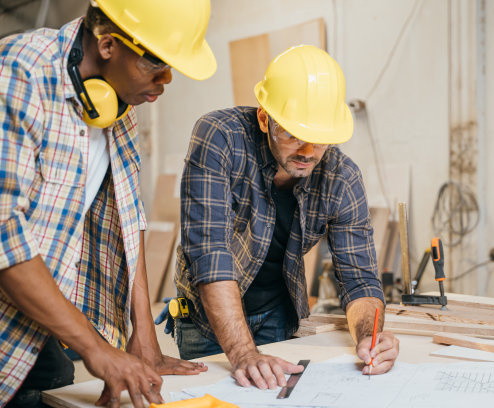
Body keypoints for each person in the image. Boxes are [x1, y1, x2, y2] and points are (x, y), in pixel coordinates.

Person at [0, 1, 216, 407]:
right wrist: (97, 350)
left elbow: (127, 216)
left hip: (40, 319)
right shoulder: (20, 73)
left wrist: (144, 337)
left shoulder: (118, 106)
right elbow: (4, 237)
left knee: (57, 390)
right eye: (157, 66)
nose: (166, 81)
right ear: (107, 44)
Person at [163, 45, 400, 390]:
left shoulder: (342, 177)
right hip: (209, 322)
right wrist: (244, 353)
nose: (307, 152)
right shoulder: (220, 138)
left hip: (278, 315)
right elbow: (210, 256)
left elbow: (360, 281)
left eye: (318, 140)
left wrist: (370, 336)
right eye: (292, 134)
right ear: (264, 119)